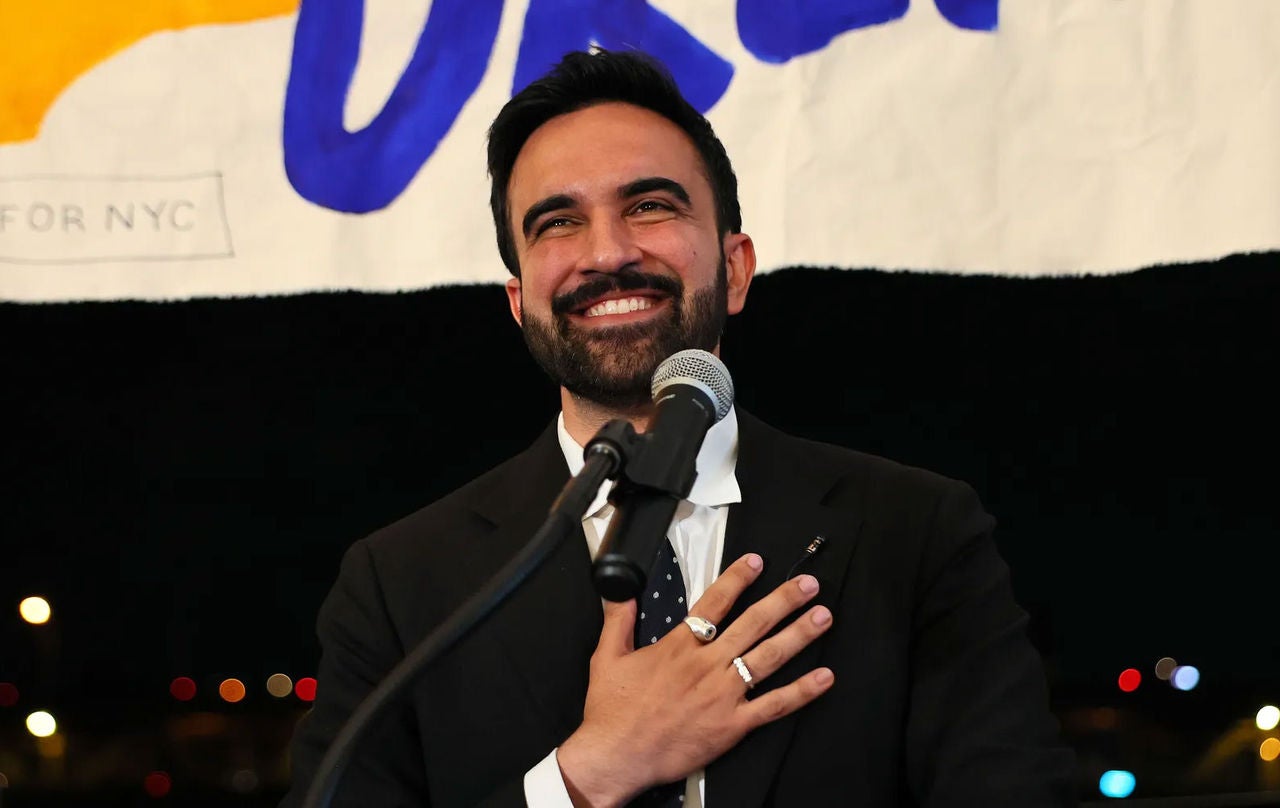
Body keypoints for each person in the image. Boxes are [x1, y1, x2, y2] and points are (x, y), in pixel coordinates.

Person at [284, 49, 1076, 807]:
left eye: (650, 206)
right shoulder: (399, 583)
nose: (608, 252)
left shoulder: (917, 532)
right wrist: (589, 775)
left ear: (734, 268)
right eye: (557, 222)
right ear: (519, 301)